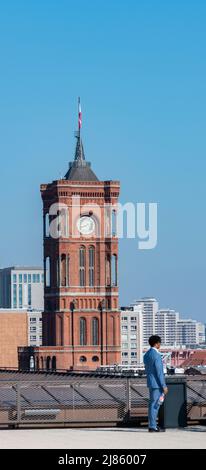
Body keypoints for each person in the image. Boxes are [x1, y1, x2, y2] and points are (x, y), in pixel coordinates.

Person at [143, 335, 168, 432]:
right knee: (155, 405)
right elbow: (159, 372)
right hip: (157, 384)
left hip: (150, 382)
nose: (160, 344)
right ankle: (153, 426)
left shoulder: (147, 354)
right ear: (157, 343)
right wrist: (164, 385)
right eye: (159, 343)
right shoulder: (156, 355)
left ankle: (152, 425)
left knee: (152, 405)